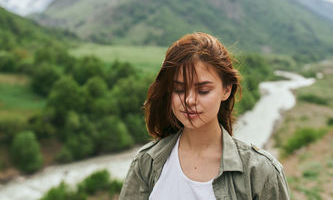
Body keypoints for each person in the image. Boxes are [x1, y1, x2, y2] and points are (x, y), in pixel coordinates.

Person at [120, 32, 290, 200]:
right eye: (179, 89)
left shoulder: (261, 172)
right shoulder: (146, 163)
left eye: (203, 90)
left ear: (226, 90)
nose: (189, 100)